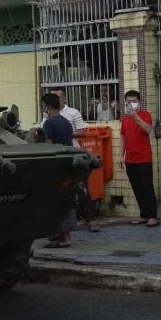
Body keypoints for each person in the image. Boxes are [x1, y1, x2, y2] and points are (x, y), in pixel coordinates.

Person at [42, 87, 98, 232]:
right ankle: (67, 229)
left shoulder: (72, 113)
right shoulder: (58, 120)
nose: (57, 99)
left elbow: (82, 131)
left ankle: (88, 220)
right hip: (68, 157)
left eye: (59, 97)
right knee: (70, 193)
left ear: (64, 98)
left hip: (67, 158)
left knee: (77, 190)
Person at [41, 92, 74, 248]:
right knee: (64, 202)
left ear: (47, 107)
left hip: (56, 168)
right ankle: (62, 235)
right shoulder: (66, 122)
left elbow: (48, 146)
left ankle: (64, 238)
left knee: (55, 204)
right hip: (68, 166)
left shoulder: (49, 123)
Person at [120, 90, 157, 227]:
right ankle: (144, 215)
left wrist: (135, 116)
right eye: (128, 101)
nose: (131, 104)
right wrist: (120, 155)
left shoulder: (145, 115)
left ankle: (153, 216)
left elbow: (147, 129)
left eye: (134, 101)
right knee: (137, 188)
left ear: (139, 101)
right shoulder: (124, 118)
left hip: (144, 158)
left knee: (147, 187)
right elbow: (123, 137)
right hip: (130, 158)